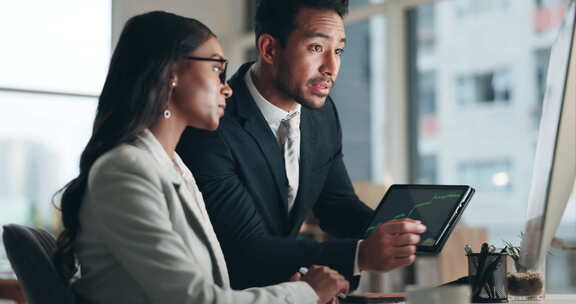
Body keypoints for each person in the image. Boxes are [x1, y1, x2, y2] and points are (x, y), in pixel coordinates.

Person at [52, 11, 349, 304]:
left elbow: (210, 291)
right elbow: (197, 300)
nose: (227, 88)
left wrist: (296, 293)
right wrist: (307, 292)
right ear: (170, 73)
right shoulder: (126, 170)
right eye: (216, 69)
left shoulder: (175, 168)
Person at [177, 0, 427, 291]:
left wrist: (394, 231)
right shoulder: (211, 125)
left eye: (339, 51)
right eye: (316, 48)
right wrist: (360, 255)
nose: (331, 68)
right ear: (269, 49)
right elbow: (246, 248)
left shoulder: (321, 114)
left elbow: (336, 205)